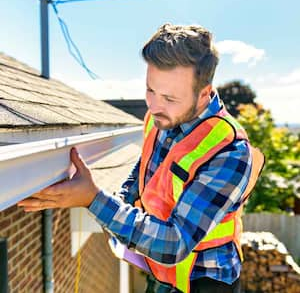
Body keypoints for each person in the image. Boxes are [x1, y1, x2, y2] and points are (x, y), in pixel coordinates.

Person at [18, 23, 264, 293]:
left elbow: (174, 243)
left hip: (205, 281)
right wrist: (120, 200)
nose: (155, 106)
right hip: (160, 274)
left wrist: (94, 200)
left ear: (204, 94)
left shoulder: (230, 152)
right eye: (150, 90)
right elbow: (145, 167)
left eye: (170, 98)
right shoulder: (158, 118)